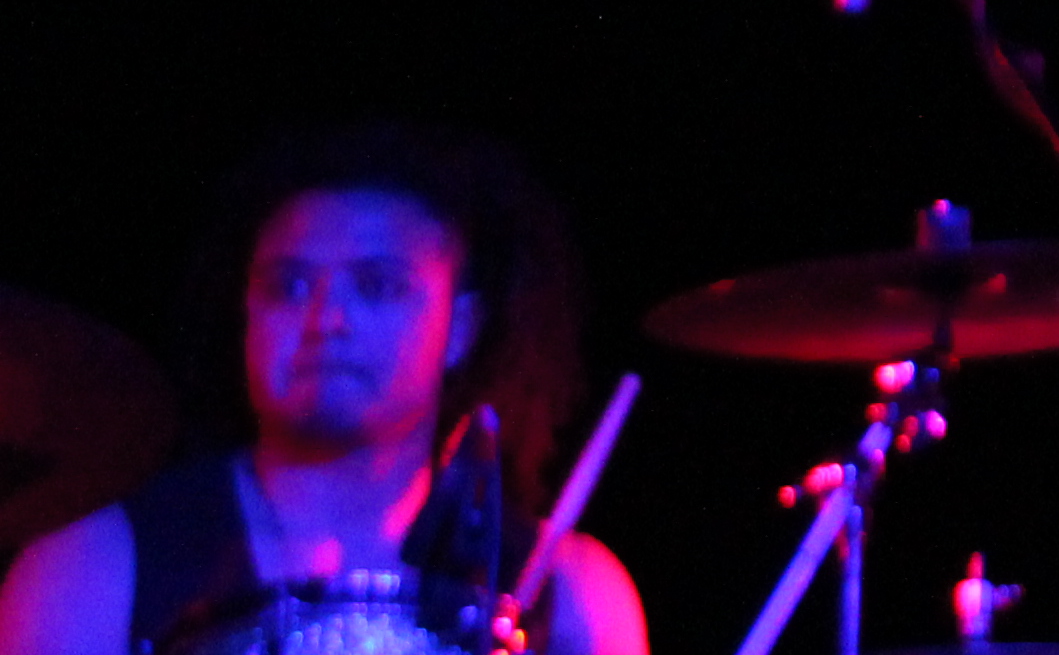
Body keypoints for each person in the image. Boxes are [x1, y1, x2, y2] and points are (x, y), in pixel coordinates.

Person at [0, 126, 646, 655]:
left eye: (376, 285)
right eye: (289, 286)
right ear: (246, 313)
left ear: (461, 327)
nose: (326, 318)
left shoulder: (572, 591)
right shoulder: (92, 570)